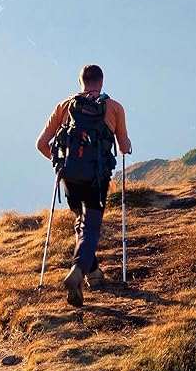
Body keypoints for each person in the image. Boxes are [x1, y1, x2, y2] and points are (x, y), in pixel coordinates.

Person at [36, 64, 132, 307]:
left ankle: (92, 274)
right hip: (96, 177)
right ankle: (78, 270)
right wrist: (126, 144)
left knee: (81, 222)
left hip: (69, 175)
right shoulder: (114, 107)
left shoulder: (65, 106)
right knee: (91, 227)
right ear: (101, 81)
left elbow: (41, 144)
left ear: (80, 81)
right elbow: (123, 146)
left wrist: (60, 163)